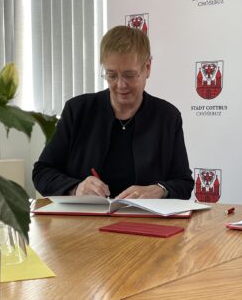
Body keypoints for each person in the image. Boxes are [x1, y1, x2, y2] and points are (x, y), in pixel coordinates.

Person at [33, 25, 194, 199]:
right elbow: (42, 173)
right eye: (111, 75)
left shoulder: (167, 117)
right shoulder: (78, 110)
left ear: (147, 68)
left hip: (145, 222)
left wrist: (159, 189)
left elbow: (184, 183)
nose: (120, 85)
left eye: (129, 75)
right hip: (84, 222)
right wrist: (76, 188)